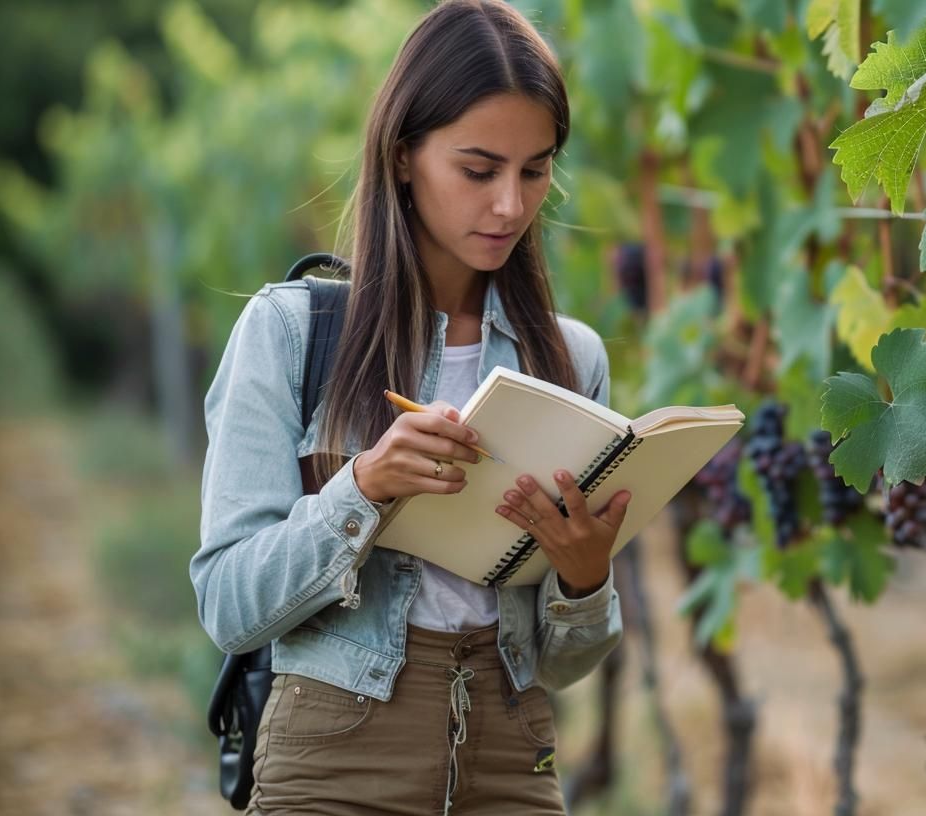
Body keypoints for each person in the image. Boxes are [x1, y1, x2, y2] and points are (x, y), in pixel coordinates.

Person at [190, 2, 632, 813]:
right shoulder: (293, 333)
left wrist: (585, 574)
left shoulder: (570, 360)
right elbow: (228, 605)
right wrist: (361, 490)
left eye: (535, 171)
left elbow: (568, 663)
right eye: (478, 170)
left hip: (513, 753)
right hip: (334, 752)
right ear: (402, 156)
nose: (510, 205)